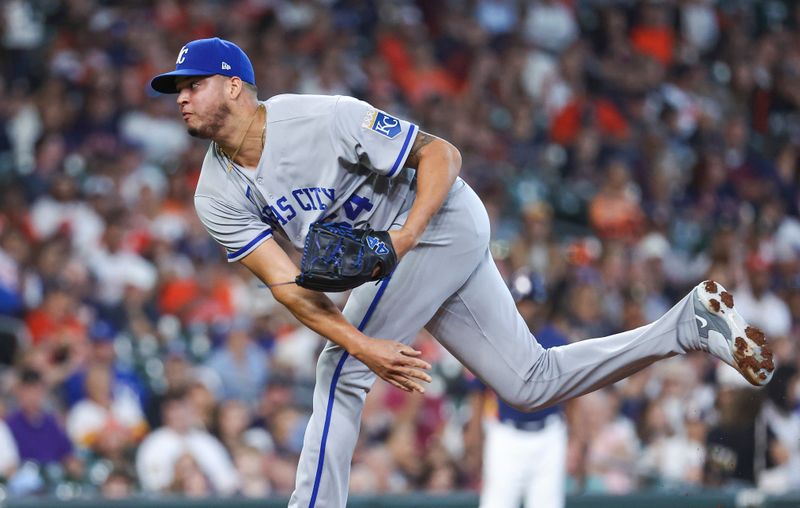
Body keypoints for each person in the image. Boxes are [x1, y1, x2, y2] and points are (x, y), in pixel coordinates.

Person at [149, 37, 775, 507]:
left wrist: (401, 238)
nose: (179, 96)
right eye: (176, 87)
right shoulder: (215, 192)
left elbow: (441, 154)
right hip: (400, 256)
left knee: (335, 374)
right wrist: (366, 342)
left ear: (234, 86)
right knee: (532, 383)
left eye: (192, 83)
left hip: (439, 219)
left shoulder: (320, 116)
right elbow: (288, 284)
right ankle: (686, 326)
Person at [467, 270, 569, 508]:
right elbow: (479, 391)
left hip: (549, 435)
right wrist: (474, 435)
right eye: (521, 302)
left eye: (531, 302)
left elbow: (572, 395)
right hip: (506, 436)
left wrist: (576, 438)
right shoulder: (496, 339)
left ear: (542, 305)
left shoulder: (557, 340)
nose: (526, 309)